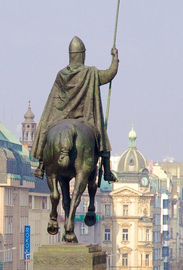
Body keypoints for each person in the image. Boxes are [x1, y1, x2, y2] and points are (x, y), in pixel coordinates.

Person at [32, 36, 119, 182]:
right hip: (85, 118)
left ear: (70, 55)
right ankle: (107, 171)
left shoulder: (61, 74)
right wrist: (115, 59)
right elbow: (110, 74)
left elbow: (53, 101)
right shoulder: (91, 73)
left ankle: (41, 164)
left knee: (45, 128)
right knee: (102, 138)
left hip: (61, 116)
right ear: (82, 55)